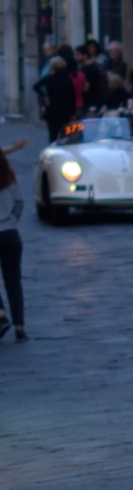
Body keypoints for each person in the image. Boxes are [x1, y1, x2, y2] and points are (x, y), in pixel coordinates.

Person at [0, 139, 28, 342]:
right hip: (11, 234)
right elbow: (19, 203)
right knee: (14, 282)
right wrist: (11, 221)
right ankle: (20, 327)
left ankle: (1, 315)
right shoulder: (10, 178)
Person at [38, 56, 75, 142]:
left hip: (52, 109)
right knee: (64, 133)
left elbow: (36, 86)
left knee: (53, 134)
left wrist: (44, 96)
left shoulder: (49, 78)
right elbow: (72, 97)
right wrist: (72, 112)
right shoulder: (67, 79)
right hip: (64, 110)